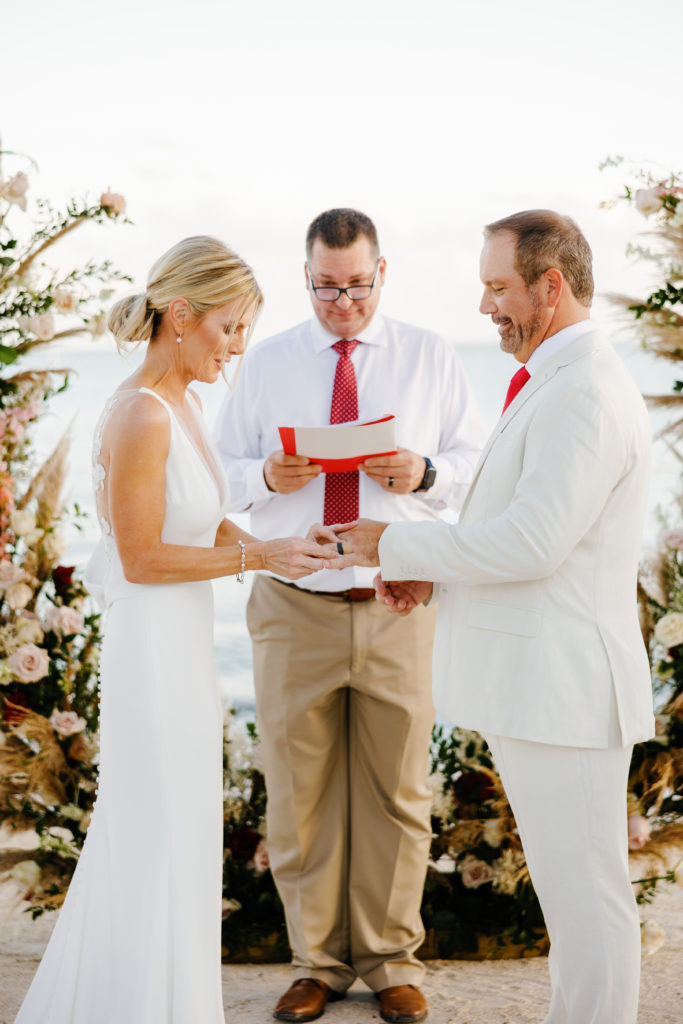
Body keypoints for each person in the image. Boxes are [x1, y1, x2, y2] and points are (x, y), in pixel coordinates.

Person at [325, 210, 655, 1024]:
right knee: (570, 900)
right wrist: (437, 581)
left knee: (588, 902)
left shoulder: (581, 390)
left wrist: (398, 547)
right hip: (546, 685)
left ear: (550, 286)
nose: (484, 308)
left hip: (566, 691)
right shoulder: (554, 378)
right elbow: (530, 537)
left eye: (496, 288)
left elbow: (535, 543)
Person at [14, 236, 337, 1024]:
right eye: (230, 329)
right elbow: (143, 556)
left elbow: (199, 524)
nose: (236, 349)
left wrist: (280, 553)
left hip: (186, 651)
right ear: (181, 314)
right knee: (152, 834)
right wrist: (254, 553)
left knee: (183, 835)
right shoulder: (139, 413)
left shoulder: (187, 404)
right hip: (149, 654)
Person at [214, 208, 485, 1023]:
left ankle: (392, 960)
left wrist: (424, 471)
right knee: (300, 795)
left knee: (399, 793)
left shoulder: (429, 357)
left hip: (398, 605)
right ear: (306, 277)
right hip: (293, 604)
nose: (341, 303)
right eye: (324, 288)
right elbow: (216, 478)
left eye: (355, 286)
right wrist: (267, 472)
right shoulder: (264, 364)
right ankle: (317, 965)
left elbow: (477, 471)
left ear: (382, 272)